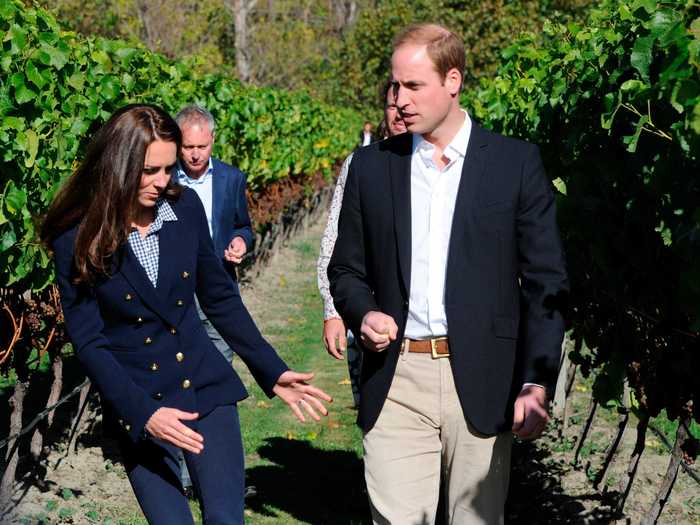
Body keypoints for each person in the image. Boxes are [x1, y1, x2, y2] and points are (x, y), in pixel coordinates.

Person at [42, 104, 332, 525]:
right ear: (119, 165)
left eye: (169, 169)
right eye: (150, 171)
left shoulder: (185, 208)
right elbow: (89, 342)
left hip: (205, 386)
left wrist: (271, 370)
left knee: (226, 519)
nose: (163, 182)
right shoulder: (78, 237)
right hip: (141, 402)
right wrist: (142, 413)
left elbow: (220, 300)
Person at [328, 24, 568, 524]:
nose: (400, 99)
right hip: (396, 376)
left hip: (483, 375)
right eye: (395, 86)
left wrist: (536, 381)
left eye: (413, 86)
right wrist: (363, 312)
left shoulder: (513, 163)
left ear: (453, 81)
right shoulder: (371, 168)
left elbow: (547, 281)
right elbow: (346, 268)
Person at [173, 104, 254, 493]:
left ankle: (208, 472)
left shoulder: (232, 179)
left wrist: (241, 241)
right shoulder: (162, 180)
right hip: (175, 298)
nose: (194, 155)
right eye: (188, 146)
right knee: (178, 380)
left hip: (217, 291)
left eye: (201, 147)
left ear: (212, 142)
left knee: (216, 377)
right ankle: (181, 473)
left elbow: (243, 225)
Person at [318, 79, 406, 408]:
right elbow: (333, 238)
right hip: (364, 308)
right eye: (392, 106)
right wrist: (332, 311)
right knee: (371, 409)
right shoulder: (361, 164)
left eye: (405, 106)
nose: (399, 114)